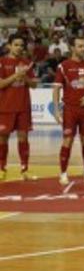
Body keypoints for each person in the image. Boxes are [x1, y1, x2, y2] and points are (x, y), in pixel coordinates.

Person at [53, 37, 84, 185]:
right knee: (67, 140)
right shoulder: (63, 66)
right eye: (80, 46)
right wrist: (56, 110)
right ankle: (63, 173)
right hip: (70, 109)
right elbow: (56, 89)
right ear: (72, 48)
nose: (83, 49)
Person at [0, 35, 38, 181]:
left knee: (23, 138)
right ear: (9, 46)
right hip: (5, 107)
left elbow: (34, 85)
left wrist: (26, 78)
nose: (19, 47)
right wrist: (16, 76)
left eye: (22, 45)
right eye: (16, 45)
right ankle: (2, 169)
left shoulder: (26, 63)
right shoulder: (2, 62)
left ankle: (24, 169)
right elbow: (1, 84)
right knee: (3, 139)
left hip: (23, 107)